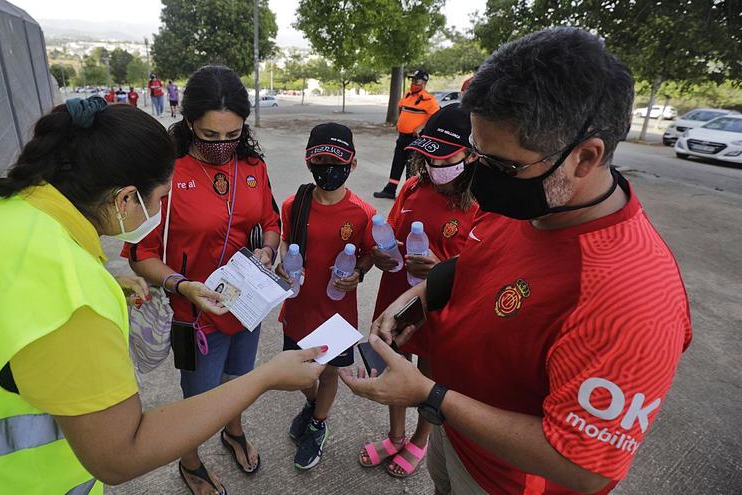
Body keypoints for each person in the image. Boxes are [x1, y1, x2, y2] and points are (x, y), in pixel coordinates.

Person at [0, 96, 326, 494]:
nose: (161, 209)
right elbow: (120, 454)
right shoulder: (68, 292)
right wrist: (265, 378)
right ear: (125, 199)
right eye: (161, 197)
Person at [340, 27, 692, 495]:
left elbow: (584, 468)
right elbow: (479, 267)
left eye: (502, 166)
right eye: (477, 155)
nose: (480, 177)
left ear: (584, 158)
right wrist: (419, 299)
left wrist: (429, 395)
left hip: (506, 479)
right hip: (456, 434)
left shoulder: (630, 296)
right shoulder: (534, 201)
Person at [123, 65, 282, 495]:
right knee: (198, 396)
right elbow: (141, 255)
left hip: (246, 305)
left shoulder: (253, 164)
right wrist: (182, 285)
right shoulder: (166, 174)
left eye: (233, 135)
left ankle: (233, 431)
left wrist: (268, 248)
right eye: (210, 136)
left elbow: (270, 219)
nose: (222, 146)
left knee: (239, 379)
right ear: (189, 121)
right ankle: (190, 462)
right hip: (193, 312)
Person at [358, 105, 478, 479]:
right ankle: (395, 436)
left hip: (442, 305)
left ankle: (421, 439)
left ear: (471, 155)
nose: (431, 166)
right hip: (397, 295)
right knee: (395, 361)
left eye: (443, 159)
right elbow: (391, 229)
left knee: (430, 375)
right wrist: (380, 255)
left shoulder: (480, 203)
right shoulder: (412, 186)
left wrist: (442, 269)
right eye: (426, 157)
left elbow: (484, 266)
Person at [275, 123, 375, 471]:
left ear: (353, 163)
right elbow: (288, 243)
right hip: (299, 307)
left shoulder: (363, 213)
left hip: (336, 312)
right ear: (308, 162)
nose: (328, 169)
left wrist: (359, 272)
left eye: (337, 161)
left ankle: (318, 422)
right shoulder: (294, 204)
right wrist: (283, 263)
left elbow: (370, 254)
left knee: (329, 370)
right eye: (320, 160)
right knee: (300, 375)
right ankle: (312, 404)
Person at [374, 68, 440, 200]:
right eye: (412, 80)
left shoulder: (429, 100)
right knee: (397, 162)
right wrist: (400, 122)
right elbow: (401, 108)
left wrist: (421, 127)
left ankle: (409, 194)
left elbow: (435, 117)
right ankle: (390, 190)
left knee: (412, 166)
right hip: (402, 136)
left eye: (417, 80)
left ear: (424, 83)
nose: (413, 83)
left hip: (415, 139)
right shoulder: (407, 95)